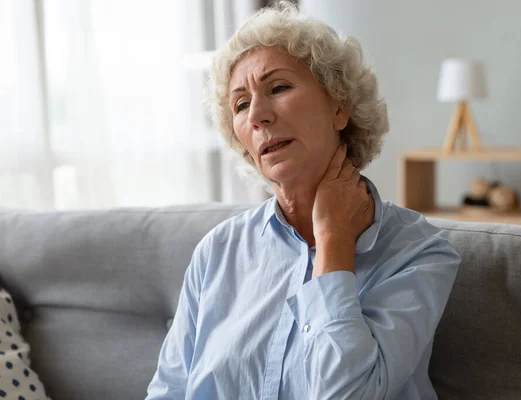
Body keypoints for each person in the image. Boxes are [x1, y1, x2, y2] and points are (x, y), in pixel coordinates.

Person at [146, 2, 461, 399]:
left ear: (339, 106)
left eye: (278, 88)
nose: (257, 115)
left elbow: (348, 394)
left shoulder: (418, 253)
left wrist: (333, 241)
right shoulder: (217, 253)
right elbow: (169, 392)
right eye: (240, 105)